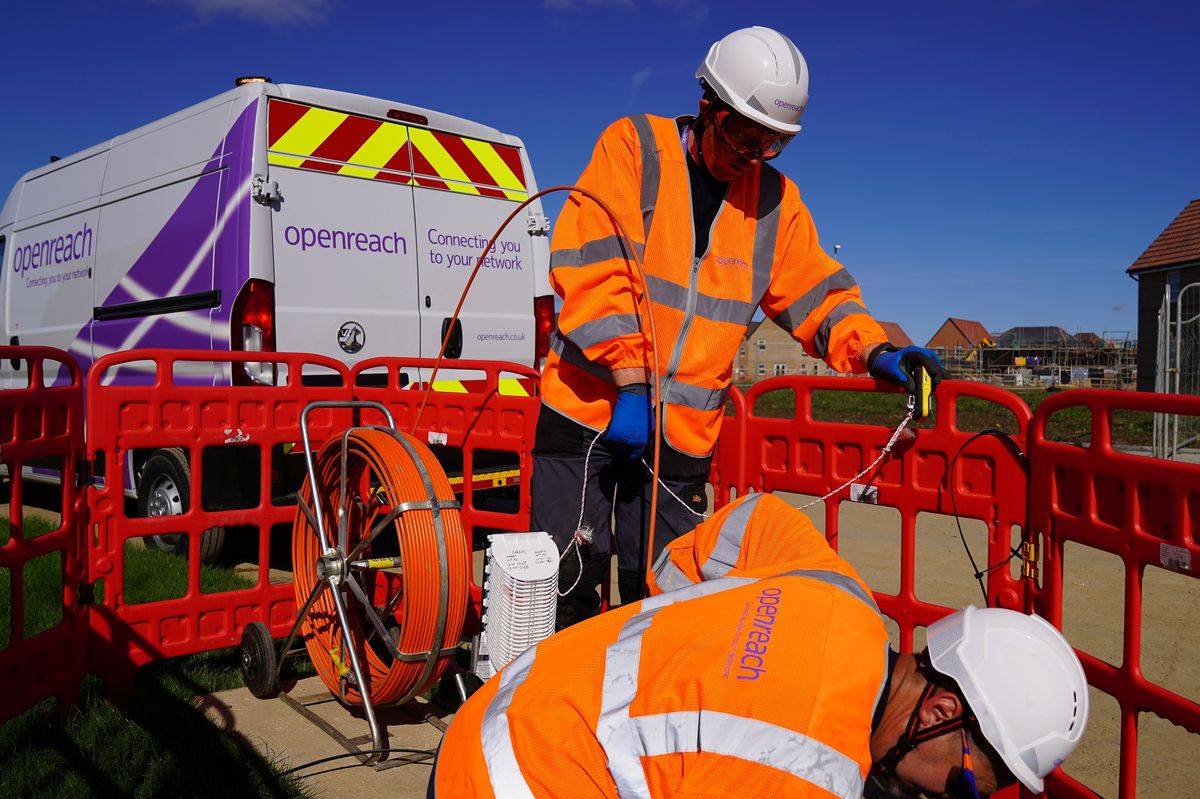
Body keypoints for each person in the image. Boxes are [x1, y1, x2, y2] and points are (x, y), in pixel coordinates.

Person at [533, 25, 946, 628]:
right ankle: (544, 708)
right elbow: (594, 268)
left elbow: (817, 295)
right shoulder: (635, 149)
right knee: (569, 578)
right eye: (742, 135)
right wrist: (628, 377)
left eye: (771, 143)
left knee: (667, 594)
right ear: (707, 108)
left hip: (682, 437)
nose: (751, 156)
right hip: (589, 409)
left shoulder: (776, 202)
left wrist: (879, 350)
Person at [429, 493, 1089, 799]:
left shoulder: (844, 599)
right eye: (963, 786)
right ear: (941, 713)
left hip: (504, 706)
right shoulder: (805, 769)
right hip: (504, 781)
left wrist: (680, 612)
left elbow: (759, 516)